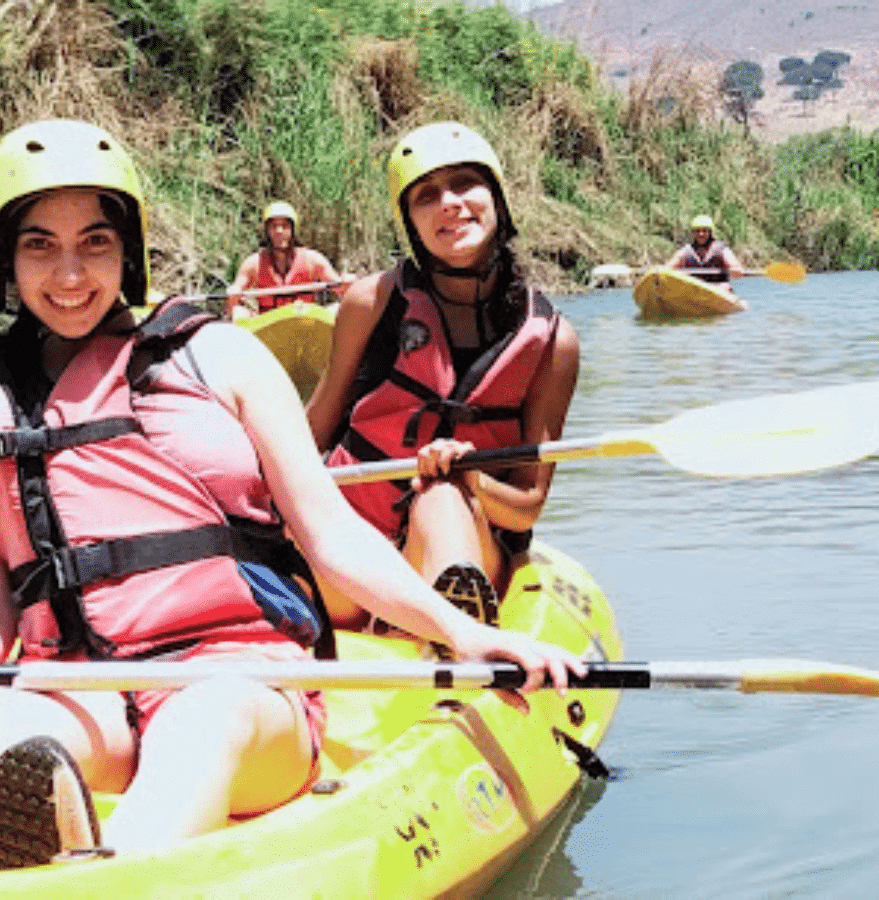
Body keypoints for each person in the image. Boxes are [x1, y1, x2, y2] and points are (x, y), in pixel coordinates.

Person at [0, 119, 585, 869]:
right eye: (39, 245)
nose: (71, 274)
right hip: (87, 687)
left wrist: (462, 633)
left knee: (202, 720)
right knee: (11, 723)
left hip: (242, 684)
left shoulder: (220, 356)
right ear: (9, 260)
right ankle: (64, 851)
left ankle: (109, 877)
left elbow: (328, 535)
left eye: (96, 242)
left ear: (130, 250)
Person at [306, 122, 580, 630]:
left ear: (495, 197)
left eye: (464, 184)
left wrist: (470, 475)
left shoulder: (552, 342)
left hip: (467, 538)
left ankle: (450, 637)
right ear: (410, 221)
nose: (450, 203)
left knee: (442, 497)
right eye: (426, 195)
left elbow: (527, 508)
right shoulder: (372, 303)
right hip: (359, 549)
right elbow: (312, 431)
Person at [225, 200, 353, 319]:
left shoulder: (313, 260)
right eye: (274, 226)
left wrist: (347, 284)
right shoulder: (253, 264)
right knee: (239, 313)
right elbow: (233, 305)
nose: (279, 231)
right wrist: (233, 295)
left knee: (337, 309)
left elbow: (341, 290)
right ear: (267, 231)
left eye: (284, 226)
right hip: (268, 326)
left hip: (306, 323)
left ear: (292, 230)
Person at [665, 214, 745, 286]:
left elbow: (735, 267)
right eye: (698, 231)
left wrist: (735, 270)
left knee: (725, 287)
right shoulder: (686, 251)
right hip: (694, 291)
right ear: (694, 233)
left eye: (704, 231)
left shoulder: (721, 249)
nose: (701, 234)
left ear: (710, 232)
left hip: (718, 290)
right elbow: (668, 268)